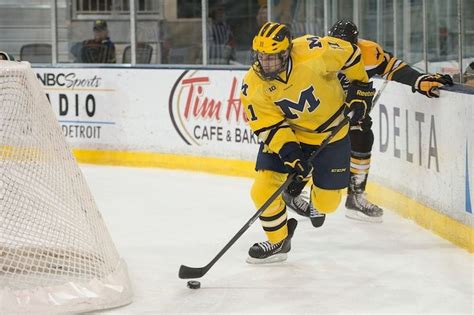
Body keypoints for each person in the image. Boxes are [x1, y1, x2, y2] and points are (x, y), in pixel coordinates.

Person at [282, 20, 453, 223]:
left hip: (350, 110)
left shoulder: (369, 53)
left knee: (362, 136)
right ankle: (294, 189)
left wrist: (419, 80)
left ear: (356, 44)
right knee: (314, 146)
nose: (341, 50)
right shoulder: (318, 52)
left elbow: (393, 67)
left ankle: (355, 195)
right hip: (319, 112)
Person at [240, 22, 375, 263]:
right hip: (291, 134)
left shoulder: (315, 51)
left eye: (272, 57)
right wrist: (291, 154)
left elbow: (351, 53)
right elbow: (269, 126)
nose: (265, 63)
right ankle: (278, 242)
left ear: (286, 52)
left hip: (331, 135)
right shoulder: (253, 84)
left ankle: (315, 192)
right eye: (261, 57)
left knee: (328, 205)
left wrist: (360, 88)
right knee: (262, 189)